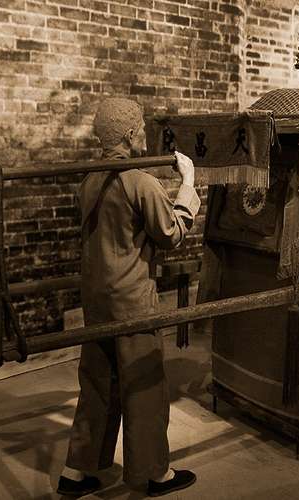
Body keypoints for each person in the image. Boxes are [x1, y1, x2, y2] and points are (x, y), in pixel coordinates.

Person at [58, 98, 200, 498]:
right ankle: (155, 474)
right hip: (132, 298)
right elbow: (170, 233)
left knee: (97, 382)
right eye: (140, 128)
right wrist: (188, 184)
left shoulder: (89, 179)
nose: (144, 136)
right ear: (131, 134)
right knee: (144, 384)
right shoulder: (139, 182)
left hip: (97, 298)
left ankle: (76, 471)